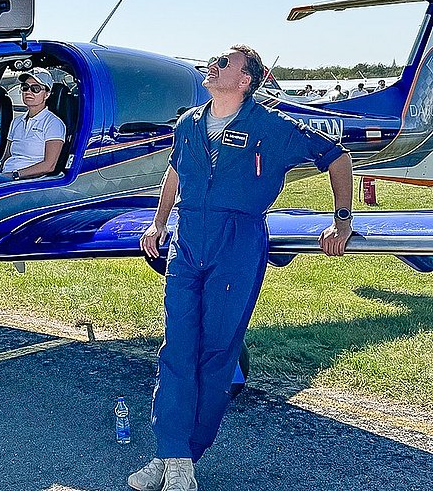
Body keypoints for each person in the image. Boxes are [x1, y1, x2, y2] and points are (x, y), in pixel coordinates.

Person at [130, 45, 353, 491]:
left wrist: (342, 221)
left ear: (245, 79)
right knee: (176, 349)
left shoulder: (272, 126)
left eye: (223, 62)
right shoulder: (189, 122)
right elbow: (175, 173)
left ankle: (185, 459)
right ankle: (170, 451)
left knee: (216, 354)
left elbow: (337, 158)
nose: (211, 66)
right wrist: (158, 222)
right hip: (189, 240)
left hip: (238, 242)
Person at [0, 69, 65, 188]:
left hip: (27, 181)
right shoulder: (17, 122)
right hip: (6, 176)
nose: (29, 92)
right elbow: (7, 155)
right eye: (25, 87)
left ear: (47, 94)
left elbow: (49, 165)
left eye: (36, 88)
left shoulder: (53, 123)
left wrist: (15, 175)